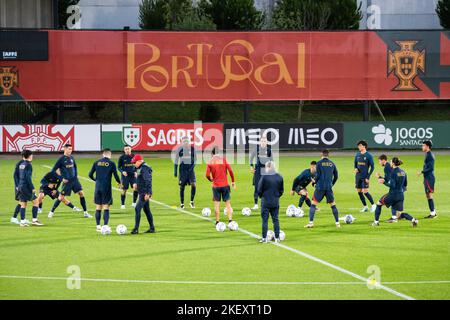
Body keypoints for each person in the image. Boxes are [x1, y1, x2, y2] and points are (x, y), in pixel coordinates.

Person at [48, 144, 91, 218]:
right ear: (64, 149)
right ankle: (51, 212)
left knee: (81, 193)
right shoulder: (61, 159)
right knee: (61, 197)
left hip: (74, 180)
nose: (70, 150)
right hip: (67, 182)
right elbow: (52, 171)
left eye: (71, 149)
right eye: (69, 149)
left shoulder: (72, 158)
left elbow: (75, 167)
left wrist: (76, 175)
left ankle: (85, 212)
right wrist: (61, 178)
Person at [374, 157, 418, 227]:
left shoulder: (393, 172)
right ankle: (413, 220)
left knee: (379, 204)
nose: (390, 163)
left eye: (391, 162)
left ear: (393, 163)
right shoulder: (403, 172)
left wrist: (383, 182)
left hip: (393, 194)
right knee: (399, 215)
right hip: (401, 195)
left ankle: (376, 222)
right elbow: (405, 184)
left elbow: (392, 185)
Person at [305, 150, 340, 228]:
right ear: (328, 155)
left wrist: (314, 182)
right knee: (333, 205)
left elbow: (318, 175)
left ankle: (311, 223)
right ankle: (337, 223)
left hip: (320, 187)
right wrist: (332, 184)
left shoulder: (319, 163)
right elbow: (336, 176)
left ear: (322, 154)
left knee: (313, 205)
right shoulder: (332, 163)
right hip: (328, 187)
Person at [89, 149, 121, 232]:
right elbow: (116, 175)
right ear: (110, 155)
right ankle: (106, 226)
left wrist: (96, 180)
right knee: (106, 206)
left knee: (98, 206)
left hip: (98, 187)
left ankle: (98, 226)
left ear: (103, 154)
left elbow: (90, 174)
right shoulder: (111, 163)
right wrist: (119, 183)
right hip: (106, 187)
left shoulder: (96, 162)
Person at [205, 147, 236, 226]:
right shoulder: (223, 160)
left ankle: (217, 221)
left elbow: (207, 175)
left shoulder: (210, 162)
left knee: (216, 205)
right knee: (228, 204)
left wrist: (210, 179)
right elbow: (231, 171)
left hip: (216, 186)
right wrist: (233, 181)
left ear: (212, 154)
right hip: (225, 185)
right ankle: (230, 220)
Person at [257, 161, 284, 243]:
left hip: (265, 202)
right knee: (275, 220)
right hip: (275, 202)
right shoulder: (279, 177)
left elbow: (259, 190)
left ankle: (264, 238)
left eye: (266, 167)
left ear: (268, 167)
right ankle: (277, 238)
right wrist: (276, 196)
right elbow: (281, 191)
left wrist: (262, 196)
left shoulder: (264, 177)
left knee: (265, 220)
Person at [16, 150, 43, 227]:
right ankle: (34, 220)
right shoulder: (28, 165)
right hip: (26, 187)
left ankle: (22, 222)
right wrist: (32, 188)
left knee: (23, 204)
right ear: (29, 156)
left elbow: (19, 176)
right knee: (36, 202)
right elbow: (28, 177)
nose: (32, 156)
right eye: (32, 155)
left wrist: (18, 185)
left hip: (21, 186)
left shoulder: (21, 164)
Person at [130, 154, 155, 235]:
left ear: (139, 161)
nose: (134, 164)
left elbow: (148, 181)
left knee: (137, 208)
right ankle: (152, 228)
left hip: (145, 192)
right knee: (147, 210)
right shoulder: (139, 167)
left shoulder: (145, 168)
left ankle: (136, 229)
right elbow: (136, 176)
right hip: (141, 191)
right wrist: (135, 183)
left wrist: (148, 193)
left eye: (134, 162)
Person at [250, 136, 272, 210]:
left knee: (265, 188)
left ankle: (264, 203)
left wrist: (269, 168)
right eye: (262, 141)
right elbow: (251, 158)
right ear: (260, 142)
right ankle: (256, 204)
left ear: (266, 142)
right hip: (257, 171)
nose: (263, 142)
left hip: (265, 171)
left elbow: (271, 160)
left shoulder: (269, 150)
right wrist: (251, 166)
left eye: (264, 141)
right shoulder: (256, 149)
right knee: (256, 187)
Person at [174, 136, 197, 209]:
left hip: (190, 171)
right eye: (184, 141)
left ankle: (192, 202)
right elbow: (176, 161)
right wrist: (175, 171)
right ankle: (182, 203)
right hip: (182, 171)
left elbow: (195, 160)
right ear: (182, 142)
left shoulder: (192, 149)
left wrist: (192, 167)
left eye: (187, 141)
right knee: (182, 187)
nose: (186, 142)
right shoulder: (179, 150)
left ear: (189, 142)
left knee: (193, 185)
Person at [354, 140, 376, 213]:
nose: (358, 147)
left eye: (360, 146)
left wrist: (368, 177)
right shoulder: (357, 155)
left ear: (364, 146)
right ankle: (365, 206)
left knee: (365, 192)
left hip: (365, 177)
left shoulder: (369, 155)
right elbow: (355, 164)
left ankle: (373, 205)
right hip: (358, 177)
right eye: (358, 146)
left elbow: (372, 167)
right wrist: (355, 168)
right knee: (359, 192)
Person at [375, 154, 397, 223]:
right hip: (398, 189)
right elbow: (387, 179)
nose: (379, 163)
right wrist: (380, 177)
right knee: (393, 202)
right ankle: (394, 217)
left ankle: (376, 222)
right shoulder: (388, 166)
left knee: (379, 203)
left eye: (379, 161)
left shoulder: (387, 167)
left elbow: (388, 182)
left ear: (383, 160)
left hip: (394, 189)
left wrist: (380, 179)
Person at [418, 140, 437, 219]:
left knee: (429, 195)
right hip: (427, 177)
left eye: (423, 145)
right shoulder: (428, 154)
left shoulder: (429, 155)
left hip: (429, 178)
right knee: (428, 195)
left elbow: (431, 168)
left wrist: (421, 171)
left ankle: (433, 213)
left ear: (427, 146)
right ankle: (433, 212)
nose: (422, 147)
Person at [118, 145, 138, 209]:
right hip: (125, 176)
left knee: (135, 188)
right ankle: (123, 204)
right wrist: (122, 172)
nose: (127, 150)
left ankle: (134, 203)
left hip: (133, 175)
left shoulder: (135, 156)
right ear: (124, 150)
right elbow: (118, 167)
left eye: (128, 149)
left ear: (131, 149)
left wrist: (136, 172)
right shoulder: (121, 157)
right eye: (126, 149)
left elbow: (138, 165)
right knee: (124, 190)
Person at [10, 154, 24, 224]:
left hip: (24, 186)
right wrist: (17, 185)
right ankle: (14, 218)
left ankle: (22, 218)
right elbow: (15, 175)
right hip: (20, 186)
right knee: (22, 202)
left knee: (23, 202)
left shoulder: (25, 163)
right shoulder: (20, 164)